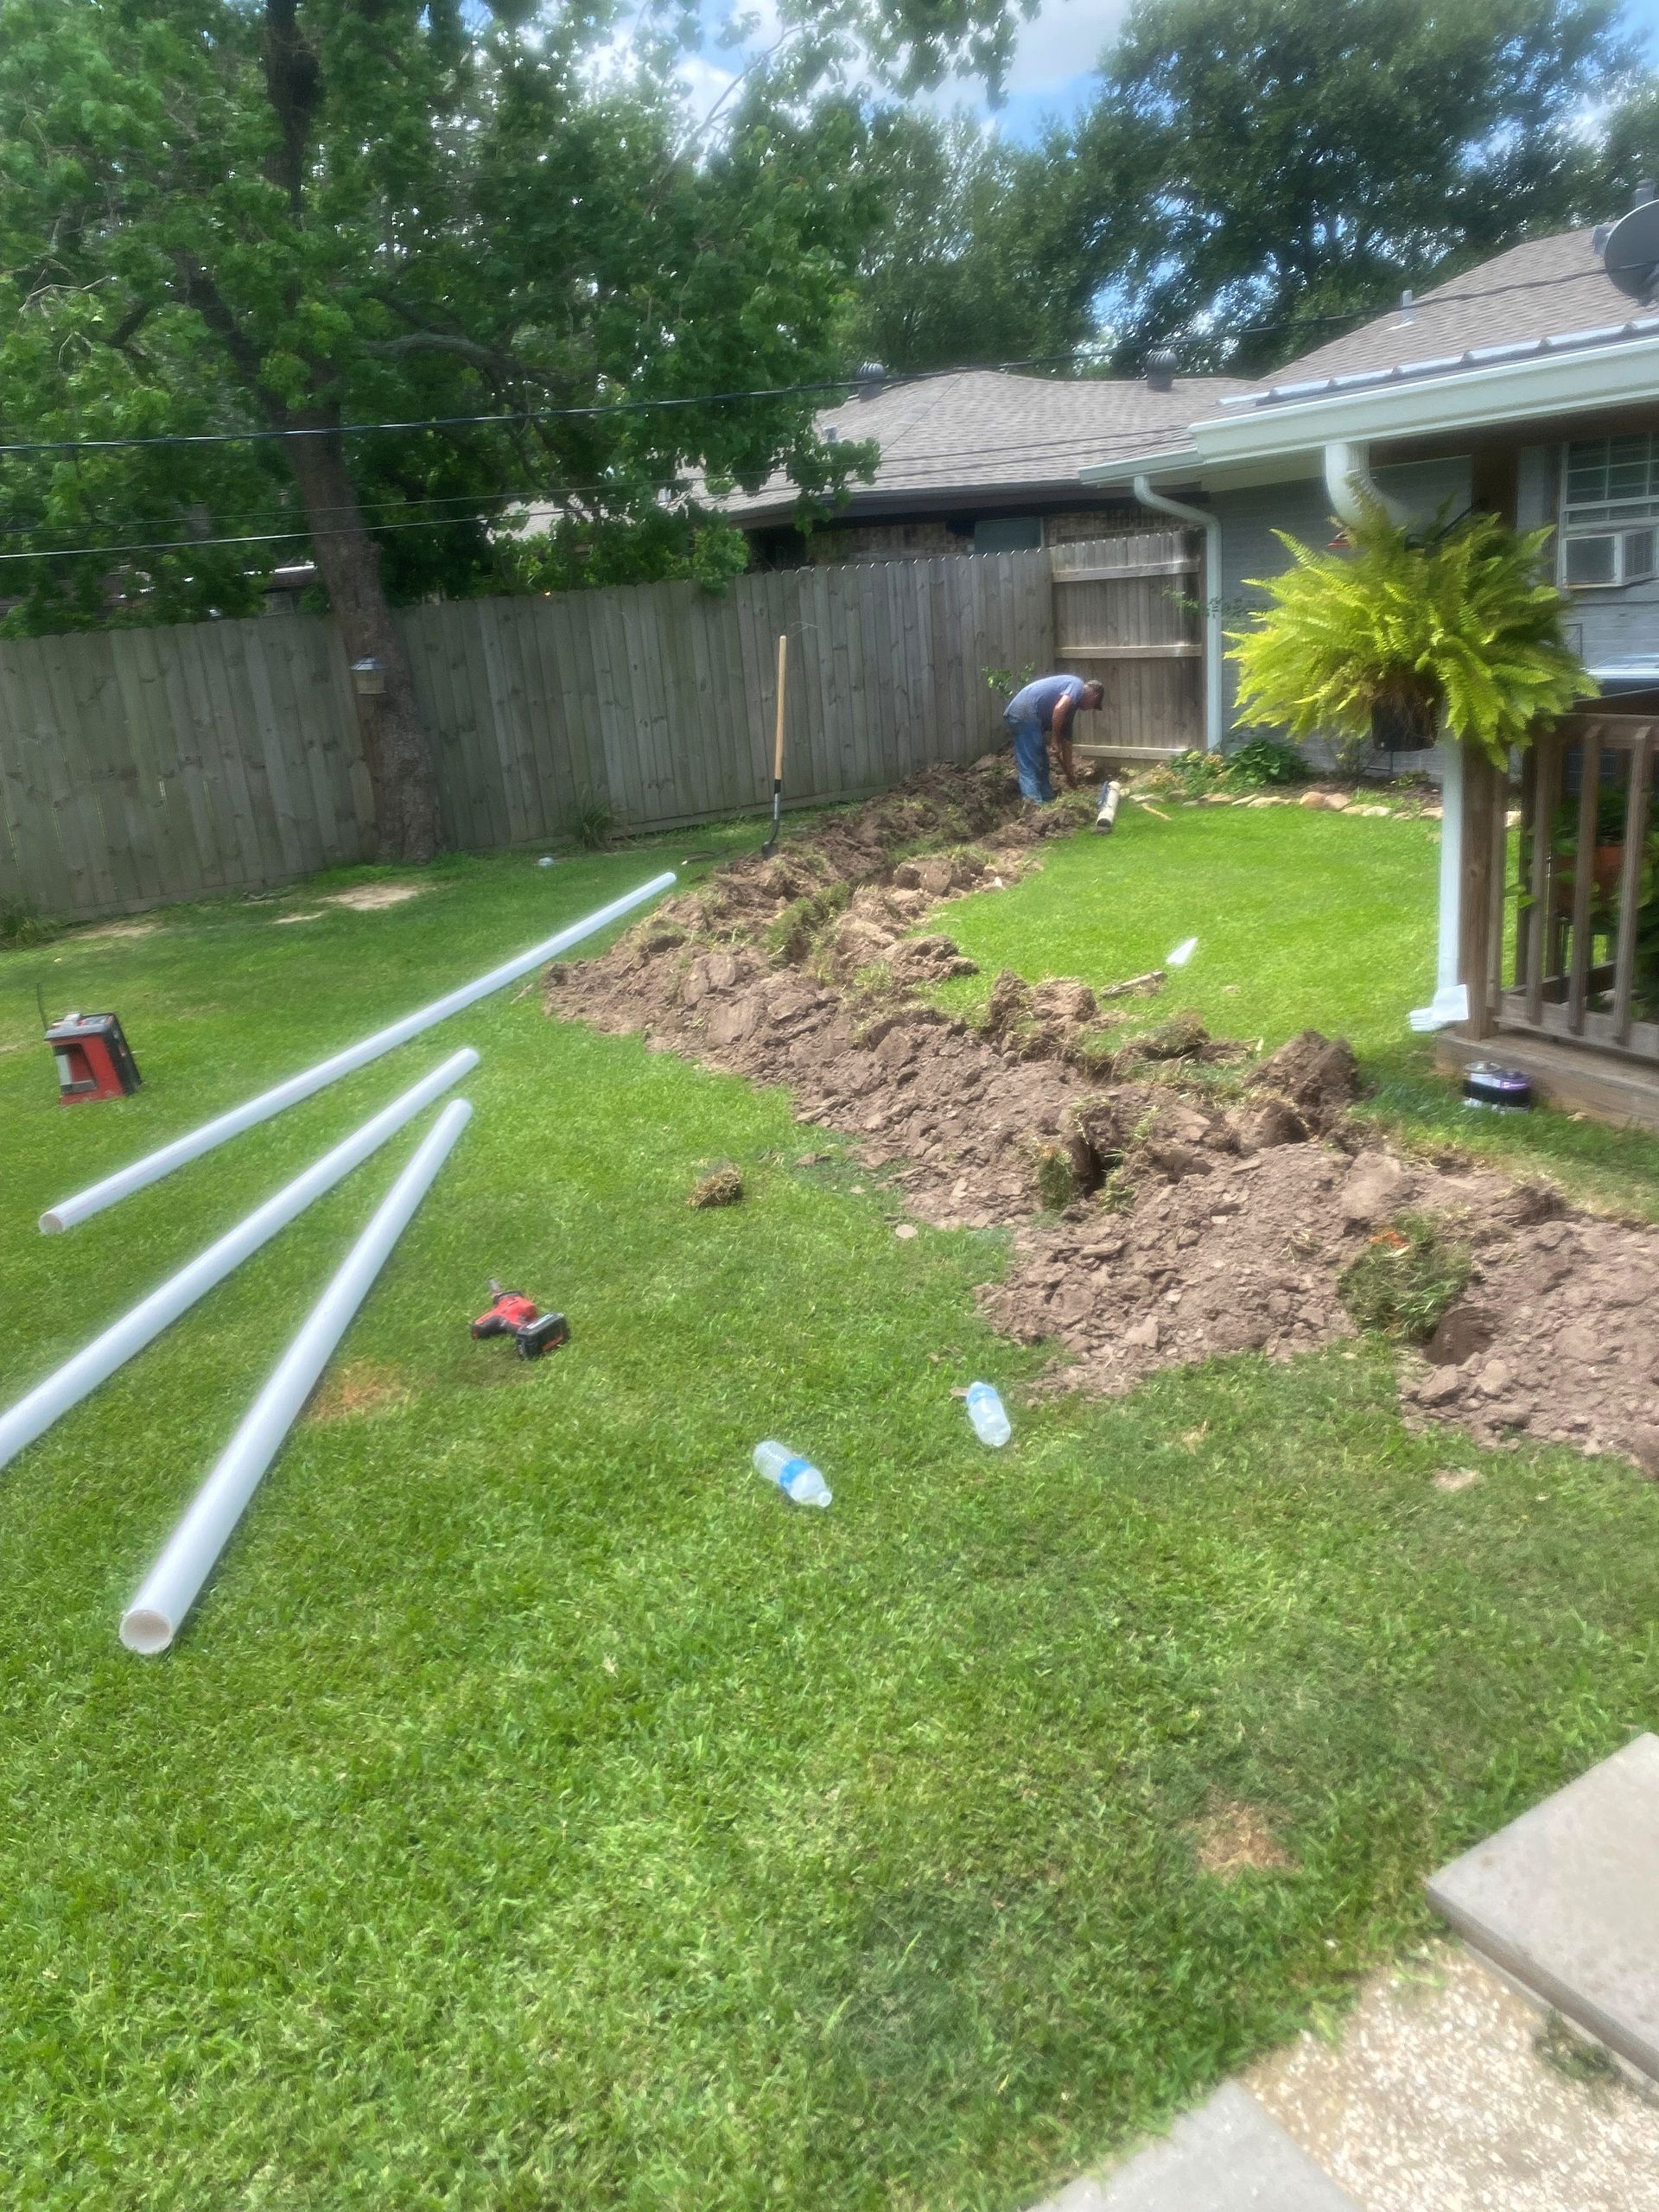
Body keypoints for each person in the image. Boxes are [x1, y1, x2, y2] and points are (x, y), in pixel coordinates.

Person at [1003, 673, 1103, 803]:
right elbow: (1059, 709)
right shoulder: (1077, 685)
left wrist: (1069, 774)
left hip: (1030, 717)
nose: (1088, 709)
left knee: (1043, 762)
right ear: (1094, 697)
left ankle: (1048, 800)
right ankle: (1033, 804)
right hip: (1024, 713)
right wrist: (1055, 740)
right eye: (1093, 706)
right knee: (1031, 763)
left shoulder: (1071, 710)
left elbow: (1067, 743)